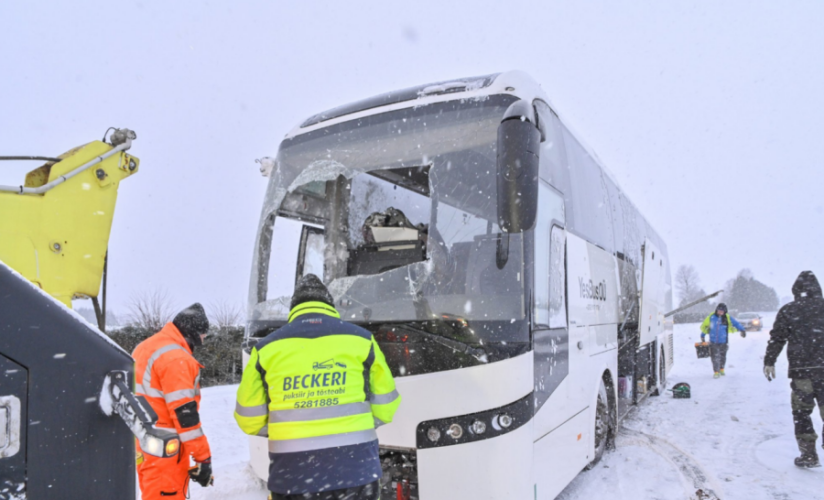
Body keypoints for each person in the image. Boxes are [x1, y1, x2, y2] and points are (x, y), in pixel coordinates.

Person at [234, 274, 401, 500]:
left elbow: (248, 419)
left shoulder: (265, 349)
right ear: (329, 305)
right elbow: (386, 406)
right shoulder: (362, 340)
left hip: (292, 477)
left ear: (294, 308)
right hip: (356, 471)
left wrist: (285, 428)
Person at [133, 303, 215, 498]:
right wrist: (203, 458)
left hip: (144, 442)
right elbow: (185, 414)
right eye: (203, 334)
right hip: (166, 449)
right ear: (193, 332)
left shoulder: (147, 346)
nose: (203, 340)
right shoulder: (176, 358)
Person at [764, 271, 824, 468]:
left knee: (802, 413)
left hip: (802, 372)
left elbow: (777, 337)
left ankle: (808, 454)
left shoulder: (789, 310)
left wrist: (769, 360)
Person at [700, 303, 746, 378]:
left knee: (722, 356)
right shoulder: (711, 317)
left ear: (725, 311)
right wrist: (702, 335)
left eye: (722, 311)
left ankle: (721, 369)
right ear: (716, 310)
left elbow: (736, 324)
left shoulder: (727, 318)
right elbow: (706, 327)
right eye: (719, 310)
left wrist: (742, 330)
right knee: (714, 357)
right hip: (713, 341)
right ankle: (716, 372)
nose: (720, 312)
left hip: (724, 341)